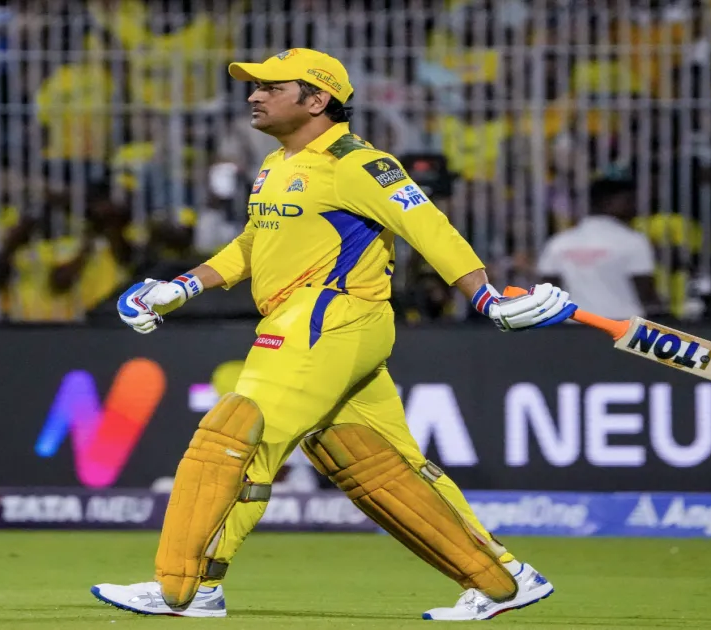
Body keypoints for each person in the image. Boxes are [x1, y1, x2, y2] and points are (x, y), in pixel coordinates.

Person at [93, 49, 573, 622]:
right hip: (323, 326)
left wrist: (485, 296)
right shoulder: (277, 163)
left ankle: (187, 586)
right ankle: (503, 579)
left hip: (326, 317)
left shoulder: (358, 163)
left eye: (272, 87)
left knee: (238, 437)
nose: (254, 95)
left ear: (318, 99)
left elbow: (429, 228)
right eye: (255, 85)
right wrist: (183, 287)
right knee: (385, 465)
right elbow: (254, 243)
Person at [537, 173, 663, 320]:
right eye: (629, 199)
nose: (635, 206)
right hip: (623, 325)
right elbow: (645, 291)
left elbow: (548, 289)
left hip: (575, 324)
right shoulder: (633, 241)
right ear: (607, 201)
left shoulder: (560, 242)